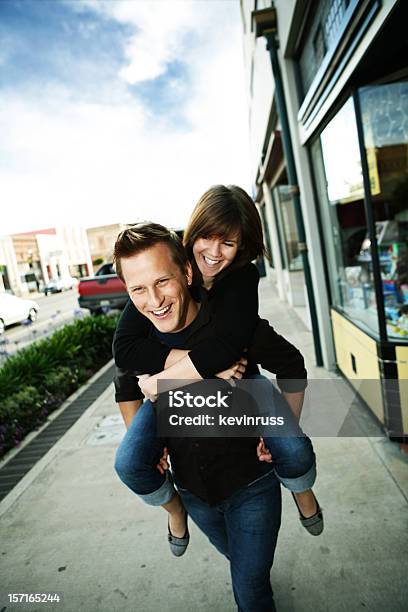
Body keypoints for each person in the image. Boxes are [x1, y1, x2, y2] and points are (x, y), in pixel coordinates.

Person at [113, 186, 323, 544]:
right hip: (187, 398)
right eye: (207, 238)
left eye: (227, 243)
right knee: (130, 462)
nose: (213, 252)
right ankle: (174, 510)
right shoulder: (161, 280)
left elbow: (232, 349)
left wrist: (279, 434)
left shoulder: (241, 280)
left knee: (293, 449)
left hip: (244, 381)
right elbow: (124, 353)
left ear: (242, 247)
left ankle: (301, 490)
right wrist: (160, 425)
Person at [113, 223, 290, 611]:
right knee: (242, 565)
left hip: (252, 488)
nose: (154, 300)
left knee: (251, 590)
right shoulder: (141, 342)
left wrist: (281, 434)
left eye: (163, 281)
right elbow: (125, 386)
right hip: (194, 495)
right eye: (138, 289)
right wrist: (152, 448)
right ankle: (174, 512)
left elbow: (291, 364)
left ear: (187, 273)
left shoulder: (232, 327)